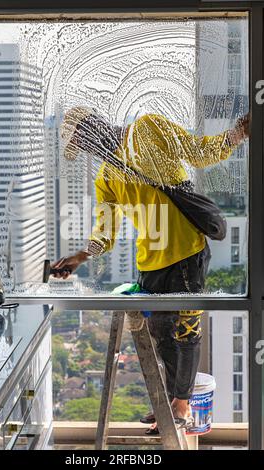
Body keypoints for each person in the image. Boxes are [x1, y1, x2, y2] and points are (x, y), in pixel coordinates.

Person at [52, 106, 249, 432]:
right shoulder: (105, 177)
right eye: (82, 147)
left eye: (83, 141)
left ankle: (181, 405)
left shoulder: (148, 128)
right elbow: (106, 231)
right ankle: (172, 402)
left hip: (186, 252)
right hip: (150, 265)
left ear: (93, 127)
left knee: (186, 332)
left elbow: (198, 152)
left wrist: (237, 134)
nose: (87, 149)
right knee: (161, 336)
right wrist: (79, 257)